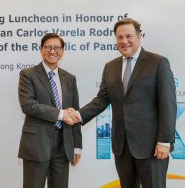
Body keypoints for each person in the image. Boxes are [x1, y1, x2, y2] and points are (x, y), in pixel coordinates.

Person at [71, 18, 176, 188]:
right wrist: (77, 115)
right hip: (122, 146)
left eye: (129, 36)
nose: (124, 41)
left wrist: (164, 141)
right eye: (119, 37)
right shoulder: (110, 67)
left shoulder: (158, 63)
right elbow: (101, 100)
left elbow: (168, 104)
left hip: (151, 147)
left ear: (139, 36)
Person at [18, 33, 82, 188]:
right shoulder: (28, 74)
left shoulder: (70, 78)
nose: (52, 51)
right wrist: (61, 114)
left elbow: (75, 111)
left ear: (63, 51)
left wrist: (77, 146)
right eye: (48, 47)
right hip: (37, 143)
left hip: (63, 144)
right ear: (41, 49)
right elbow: (28, 105)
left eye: (57, 47)